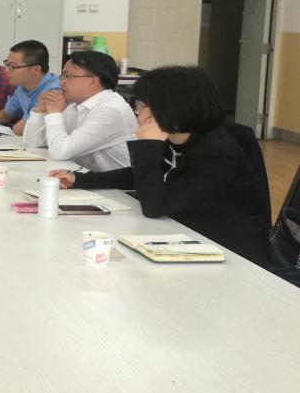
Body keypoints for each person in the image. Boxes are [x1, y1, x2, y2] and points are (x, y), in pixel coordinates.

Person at [49, 66, 270, 267]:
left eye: (141, 104)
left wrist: (147, 146)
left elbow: (155, 207)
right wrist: (82, 179)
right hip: (185, 236)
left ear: (171, 107)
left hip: (229, 254)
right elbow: (141, 175)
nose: (137, 111)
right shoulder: (177, 137)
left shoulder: (217, 154)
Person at [23, 51, 136, 171]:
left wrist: (55, 113)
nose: (61, 82)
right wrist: (40, 110)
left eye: (67, 76)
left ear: (93, 81)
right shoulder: (75, 106)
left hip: (116, 182)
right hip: (85, 177)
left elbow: (60, 152)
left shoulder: (110, 110)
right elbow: (33, 142)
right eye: (62, 76)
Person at [0, 40, 61, 135]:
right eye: (7, 64)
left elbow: (22, 129)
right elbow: (6, 114)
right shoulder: (22, 86)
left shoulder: (55, 91)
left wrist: (19, 127)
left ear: (35, 69)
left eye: (13, 66)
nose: (6, 71)